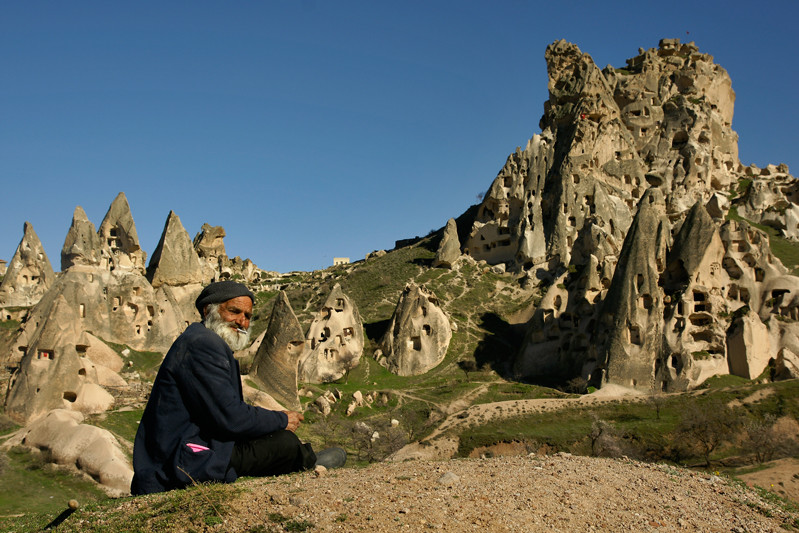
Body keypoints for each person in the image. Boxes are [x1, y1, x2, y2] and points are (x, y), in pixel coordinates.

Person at [131, 280, 345, 495]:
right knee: (283, 443)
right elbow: (230, 416)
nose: (242, 322)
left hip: (186, 448)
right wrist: (281, 420)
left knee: (267, 437)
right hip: (180, 462)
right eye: (234, 311)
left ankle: (304, 457)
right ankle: (310, 462)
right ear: (208, 310)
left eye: (248, 316)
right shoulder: (203, 345)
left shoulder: (201, 340)